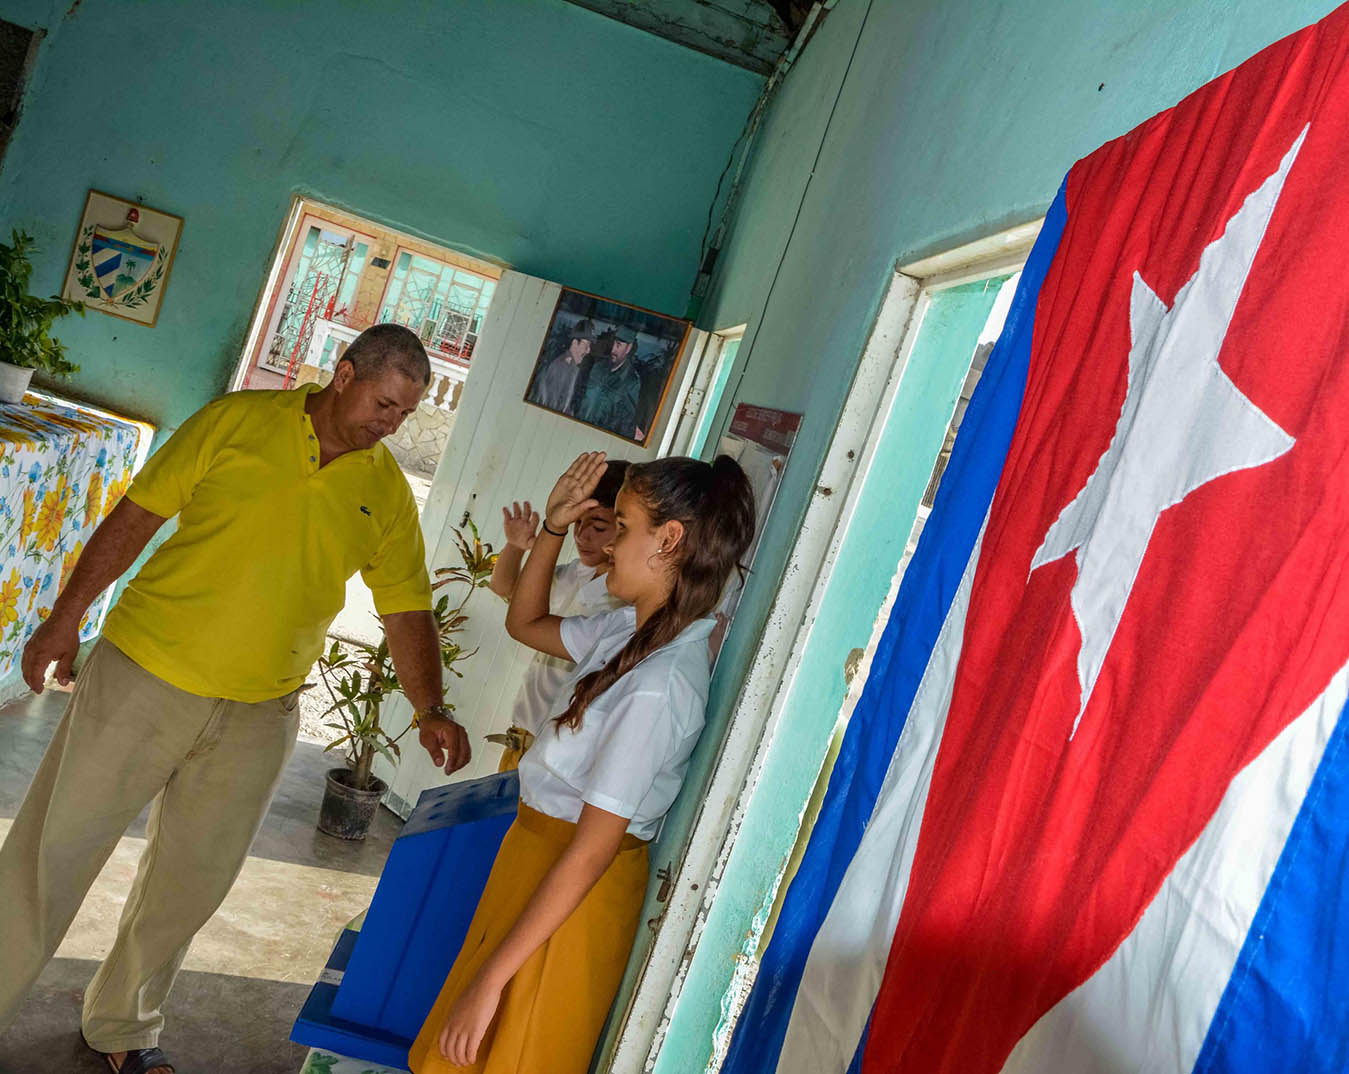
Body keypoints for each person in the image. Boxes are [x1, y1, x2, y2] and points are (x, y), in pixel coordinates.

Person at [0, 324, 473, 1074]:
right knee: (50, 856)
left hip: (258, 715)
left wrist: (429, 707)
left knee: (188, 886)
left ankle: (122, 1027)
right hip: (145, 676)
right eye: (385, 404)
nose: (393, 425)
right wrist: (64, 619)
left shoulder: (383, 490)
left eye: (406, 415)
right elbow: (137, 516)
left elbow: (406, 608)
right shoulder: (236, 421)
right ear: (343, 375)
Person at [408, 449, 756, 1074]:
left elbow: (593, 850)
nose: (607, 546)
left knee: (506, 1053)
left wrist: (491, 983)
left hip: (570, 893)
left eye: (622, 527)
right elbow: (526, 622)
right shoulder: (629, 628)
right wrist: (551, 528)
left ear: (668, 540)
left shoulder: (661, 683)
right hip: (537, 864)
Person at [487, 459, 629, 771]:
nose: (582, 536)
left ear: (626, 529)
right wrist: (515, 546)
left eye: (598, 527)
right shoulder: (573, 575)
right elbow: (504, 587)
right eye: (577, 523)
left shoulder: (623, 604)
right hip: (522, 736)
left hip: (555, 754)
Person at [577, 324, 641, 438]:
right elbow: (581, 395)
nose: (613, 349)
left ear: (628, 348)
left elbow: (626, 422)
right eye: (613, 343)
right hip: (578, 426)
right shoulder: (598, 367)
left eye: (619, 345)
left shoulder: (631, 382)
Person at [527, 319, 594, 415]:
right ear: (575, 343)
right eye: (586, 345)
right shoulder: (561, 368)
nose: (588, 350)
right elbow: (551, 408)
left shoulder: (572, 367)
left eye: (590, 346)